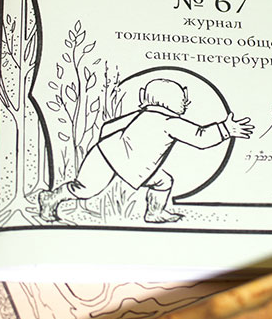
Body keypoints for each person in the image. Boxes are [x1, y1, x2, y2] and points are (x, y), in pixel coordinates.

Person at [39, 78, 254, 224]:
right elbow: (200, 137)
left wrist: (115, 148)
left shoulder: (140, 115)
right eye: (183, 100)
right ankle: (50, 199)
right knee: (85, 190)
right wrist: (226, 129)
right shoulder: (170, 122)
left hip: (107, 155)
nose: (186, 104)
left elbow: (108, 127)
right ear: (171, 102)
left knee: (163, 181)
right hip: (113, 160)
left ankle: (154, 212)